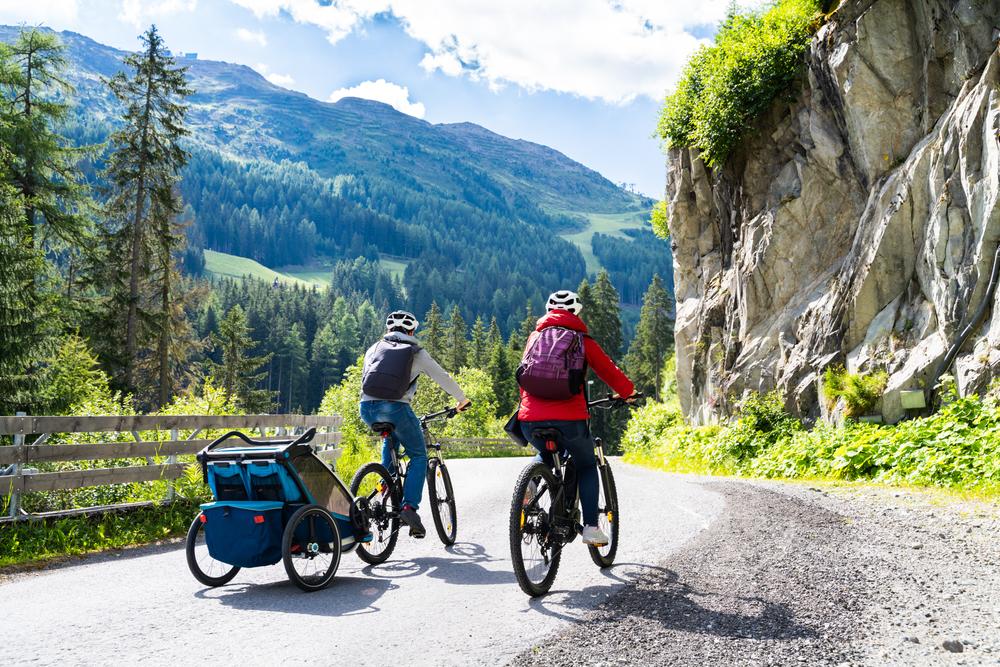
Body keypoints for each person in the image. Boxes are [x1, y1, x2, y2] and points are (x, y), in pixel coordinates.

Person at [517, 290, 636, 546]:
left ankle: (532, 482)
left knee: (545, 452)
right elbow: (609, 371)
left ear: (548, 311)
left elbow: (524, 376)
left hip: (529, 419)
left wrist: (527, 409)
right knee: (585, 464)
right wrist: (628, 393)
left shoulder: (534, 337)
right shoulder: (582, 340)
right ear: (576, 312)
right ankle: (592, 528)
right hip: (569, 419)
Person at [359, 310, 471, 538]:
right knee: (419, 456)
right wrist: (462, 399)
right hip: (396, 408)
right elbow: (442, 377)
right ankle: (409, 507)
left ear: (389, 330)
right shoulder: (416, 352)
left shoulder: (374, 348)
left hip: (366, 408)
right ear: (411, 331)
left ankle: (384, 488)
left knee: (391, 439)